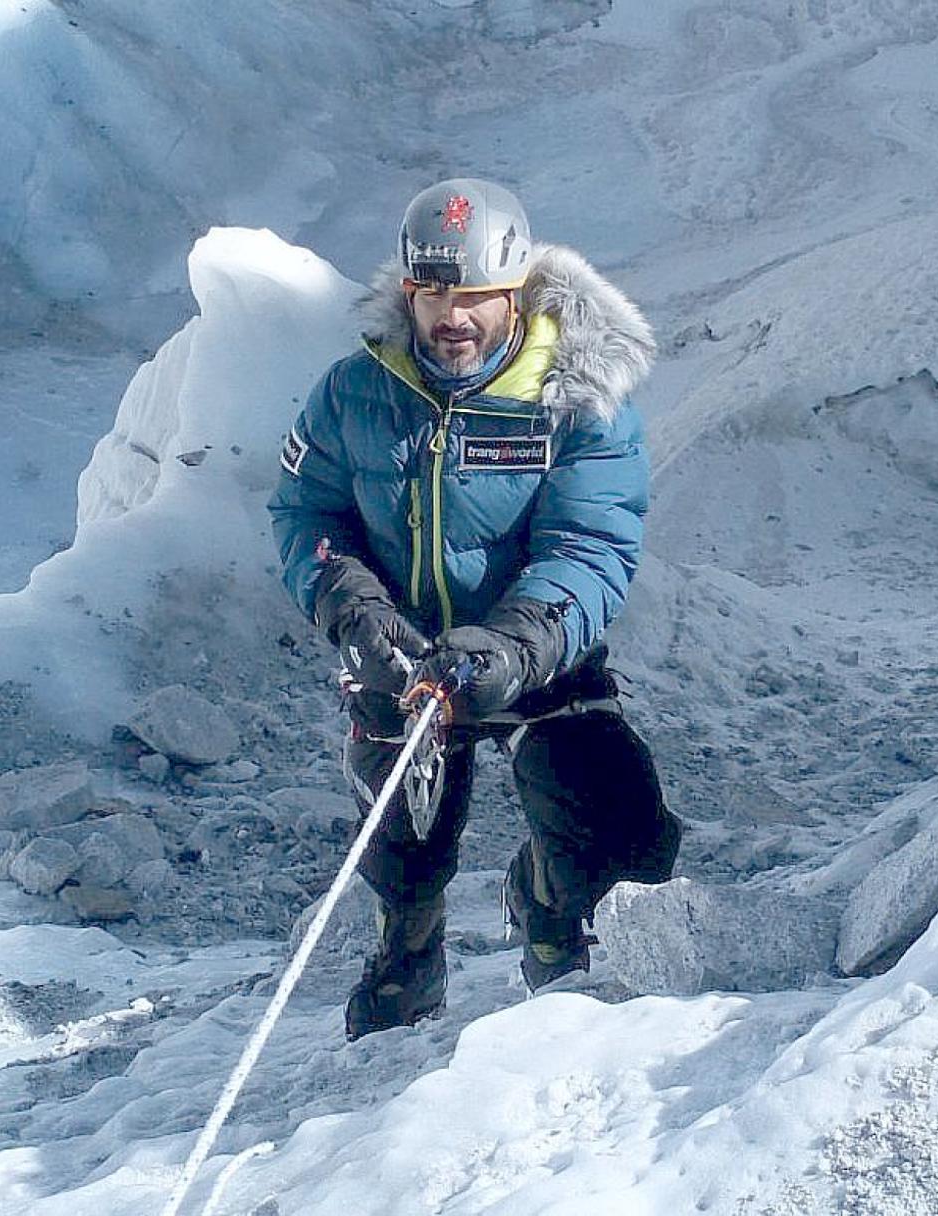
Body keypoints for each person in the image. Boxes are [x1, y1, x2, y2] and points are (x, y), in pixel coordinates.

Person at [269, 177, 681, 1039]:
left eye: (478, 298)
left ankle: (545, 902)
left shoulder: (577, 398)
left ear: (515, 294)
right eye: (434, 295)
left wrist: (517, 641)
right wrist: (352, 607)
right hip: (402, 653)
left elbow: (592, 543)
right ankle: (408, 950)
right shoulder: (354, 391)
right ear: (409, 291)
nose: (453, 318)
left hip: (534, 654)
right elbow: (308, 511)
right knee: (404, 845)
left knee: (627, 838)